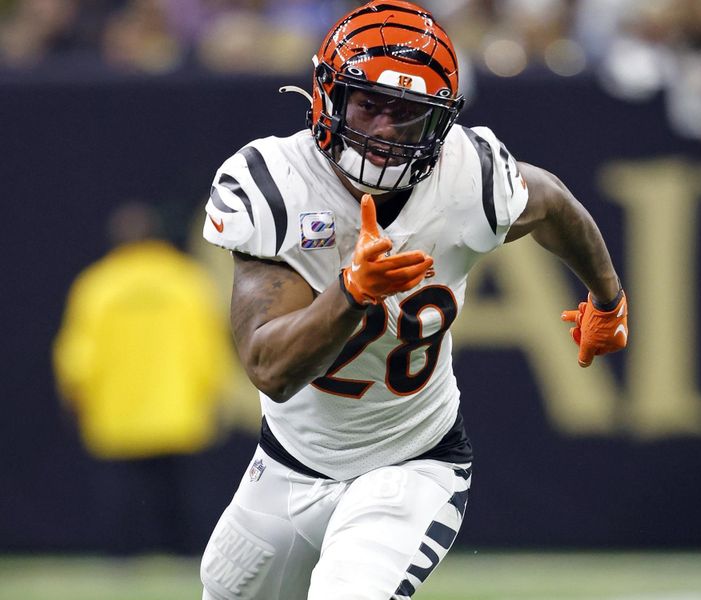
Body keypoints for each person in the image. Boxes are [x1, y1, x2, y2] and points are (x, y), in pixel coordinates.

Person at [199, 1, 628, 598]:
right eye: (369, 105)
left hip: (411, 459)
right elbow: (269, 369)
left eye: (407, 115)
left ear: (440, 122)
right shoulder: (277, 183)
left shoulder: (469, 177)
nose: (383, 131)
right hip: (290, 461)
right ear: (328, 96)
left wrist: (607, 300)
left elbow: (553, 201)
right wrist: (351, 292)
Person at [53, 201, 236, 553]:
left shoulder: (98, 286)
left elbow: (78, 354)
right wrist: (214, 393)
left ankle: (119, 557)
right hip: (176, 407)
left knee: (120, 491)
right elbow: (208, 349)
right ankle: (184, 553)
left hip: (117, 409)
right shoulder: (187, 282)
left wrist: (74, 395)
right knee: (177, 490)